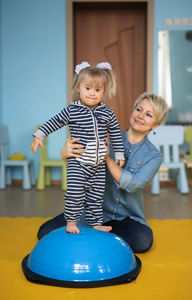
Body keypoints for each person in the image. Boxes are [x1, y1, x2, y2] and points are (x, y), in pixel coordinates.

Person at [37, 92, 168, 253]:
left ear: (155, 124)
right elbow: (80, 168)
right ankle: (98, 235)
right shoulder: (104, 138)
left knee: (142, 241)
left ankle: (92, 236)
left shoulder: (154, 156)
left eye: (148, 115)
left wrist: (106, 157)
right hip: (93, 212)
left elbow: (134, 185)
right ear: (132, 111)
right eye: (138, 110)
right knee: (44, 233)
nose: (140, 116)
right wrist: (65, 155)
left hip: (127, 218)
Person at [31, 61, 125, 234]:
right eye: (88, 88)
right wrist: (40, 135)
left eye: (98, 90)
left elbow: (116, 134)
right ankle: (71, 222)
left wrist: (119, 153)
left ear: (104, 91)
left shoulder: (107, 113)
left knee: (96, 196)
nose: (92, 93)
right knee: (75, 193)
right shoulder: (72, 110)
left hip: (98, 165)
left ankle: (96, 223)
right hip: (78, 161)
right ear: (77, 87)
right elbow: (54, 122)